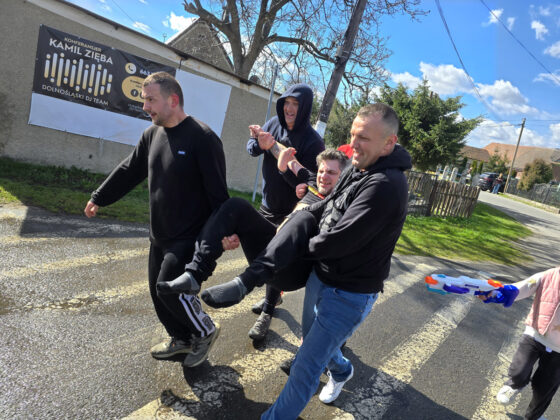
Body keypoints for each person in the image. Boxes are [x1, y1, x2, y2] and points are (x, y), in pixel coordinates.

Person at [199, 103, 412, 418]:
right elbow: (325, 205)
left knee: (305, 367)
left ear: (388, 143)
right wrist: (293, 224)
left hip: (349, 294)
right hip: (320, 278)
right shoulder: (359, 166)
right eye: (353, 135)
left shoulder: (385, 186)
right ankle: (342, 370)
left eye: (364, 138)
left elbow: (337, 241)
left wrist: (293, 247)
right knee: (318, 342)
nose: (354, 144)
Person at [84, 71, 228, 368]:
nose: (145, 106)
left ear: (172, 100)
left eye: (150, 100)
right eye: (144, 99)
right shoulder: (152, 135)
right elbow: (129, 170)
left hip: (189, 237)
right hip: (159, 234)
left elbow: (218, 194)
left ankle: (205, 331)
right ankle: (181, 339)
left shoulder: (203, 138)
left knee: (169, 289)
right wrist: (99, 196)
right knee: (157, 293)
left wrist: (226, 231)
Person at [157, 149, 349, 342]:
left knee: (303, 218)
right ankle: (195, 273)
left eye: (331, 173)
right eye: (322, 171)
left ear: (343, 177)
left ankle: (245, 284)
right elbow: (292, 162)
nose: (324, 176)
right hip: (274, 249)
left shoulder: (343, 202)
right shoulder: (312, 180)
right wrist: (277, 152)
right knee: (237, 206)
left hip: (295, 269)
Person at [246, 83, 324, 337]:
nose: (289, 109)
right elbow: (251, 148)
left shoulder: (313, 142)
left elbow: (311, 184)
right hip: (267, 203)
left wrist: (285, 169)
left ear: (305, 108)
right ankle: (274, 295)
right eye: (286, 103)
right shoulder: (272, 123)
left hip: (291, 212)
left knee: (274, 261)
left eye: (296, 105)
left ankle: (268, 310)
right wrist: (259, 144)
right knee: (259, 253)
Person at [479, 266, 560, 420]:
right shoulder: (550, 275)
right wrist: (503, 292)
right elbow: (525, 285)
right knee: (519, 368)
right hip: (534, 334)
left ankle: (534, 416)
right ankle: (515, 384)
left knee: (545, 386)